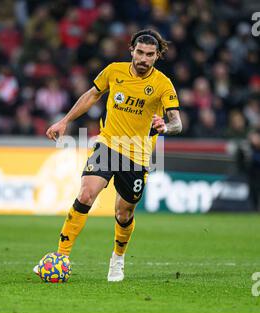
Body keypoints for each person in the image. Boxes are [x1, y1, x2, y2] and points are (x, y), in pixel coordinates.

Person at [33, 29, 182, 282]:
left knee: (124, 214)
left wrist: (165, 127)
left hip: (137, 156)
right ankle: (61, 255)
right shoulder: (114, 71)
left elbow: (177, 122)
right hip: (108, 146)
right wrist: (65, 120)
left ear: (157, 56)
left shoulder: (163, 84)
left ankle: (118, 259)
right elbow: (92, 95)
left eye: (150, 55)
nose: (143, 59)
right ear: (131, 50)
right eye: (140, 53)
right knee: (86, 193)